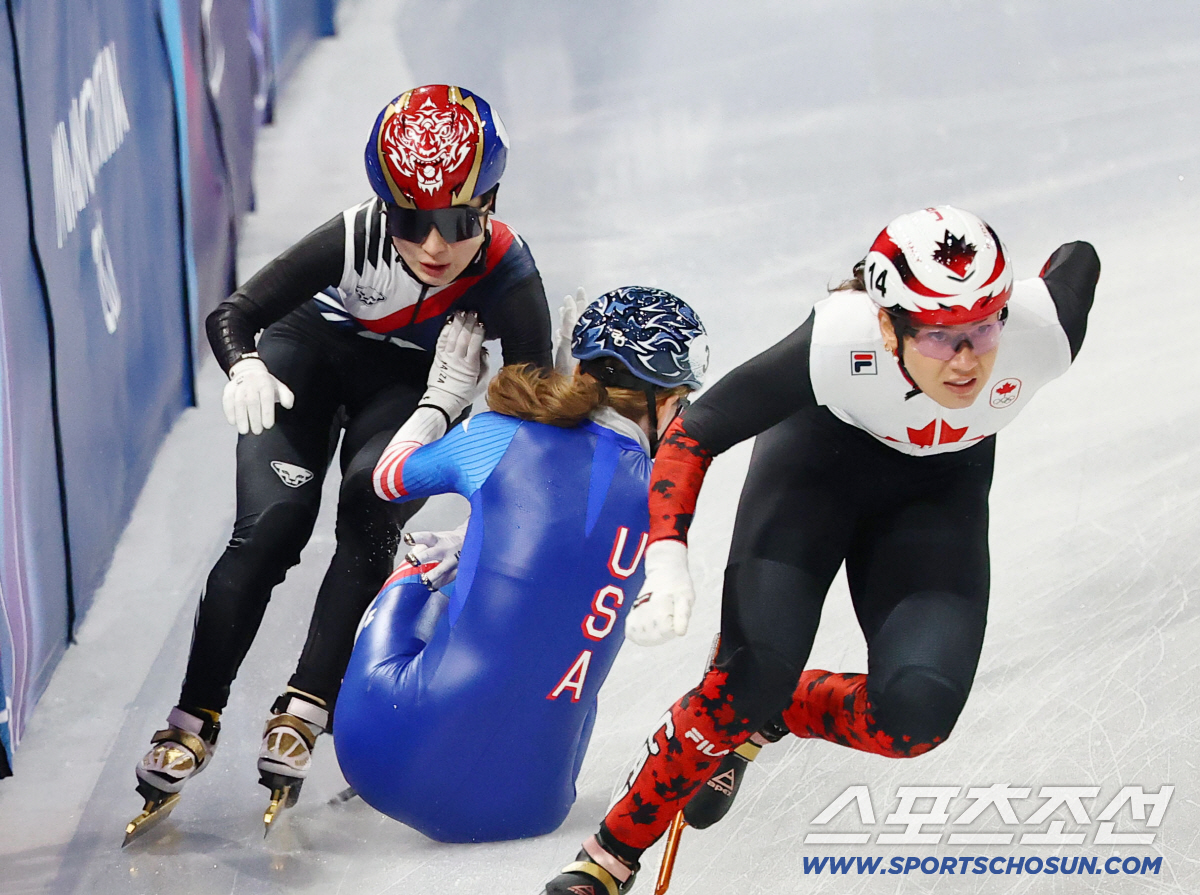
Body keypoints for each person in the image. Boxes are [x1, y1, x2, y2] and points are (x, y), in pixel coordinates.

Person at [540, 206, 1100, 893]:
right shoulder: (839, 339)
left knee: (916, 716)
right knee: (748, 675)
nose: (966, 360)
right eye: (939, 335)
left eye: (983, 328)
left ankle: (780, 712)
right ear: (887, 323)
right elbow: (696, 432)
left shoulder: (1039, 332)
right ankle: (608, 855)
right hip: (816, 466)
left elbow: (1080, 259)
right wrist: (666, 561)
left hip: (937, 495)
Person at [125, 85, 552, 845]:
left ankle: (307, 700)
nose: (429, 244)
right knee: (271, 529)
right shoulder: (354, 234)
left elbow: (533, 428)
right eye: (407, 217)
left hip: (409, 390)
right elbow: (234, 314)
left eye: (453, 222)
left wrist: (441, 411)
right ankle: (194, 715)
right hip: (306, 360)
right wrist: (245, 367)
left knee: (368, 510)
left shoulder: (511, 276)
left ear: (490, 203)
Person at [333, 286, 709, 843]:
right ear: (658, 399)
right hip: (535, 804)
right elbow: (571, 520)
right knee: (566, 644)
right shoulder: (667, 495)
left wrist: (443, 396)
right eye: (681, 399)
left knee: (426, 567)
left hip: (377, 758)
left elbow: (386, 480)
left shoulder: (496, 433)